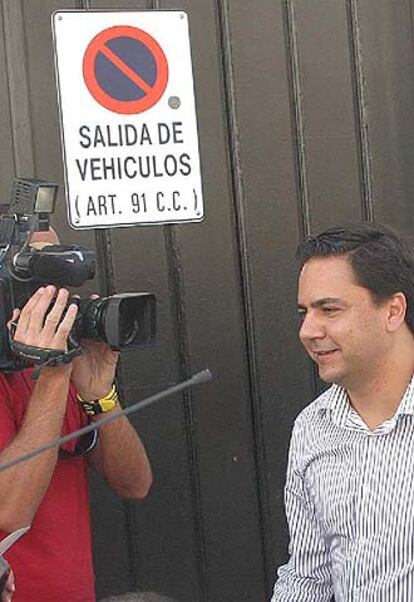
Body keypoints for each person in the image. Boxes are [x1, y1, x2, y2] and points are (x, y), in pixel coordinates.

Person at [0, 228, 153, 602]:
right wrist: (54, 373)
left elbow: (135, 484)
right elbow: (7, 515)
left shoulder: (61, 367)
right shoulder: (47, 373)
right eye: (42, 276)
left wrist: (100, 395)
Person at [272, 222, 414, 601]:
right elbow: (307, 575)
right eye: (304, 312)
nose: (307, 330)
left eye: (329, 309)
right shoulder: (312, 428)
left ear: (393, 310)